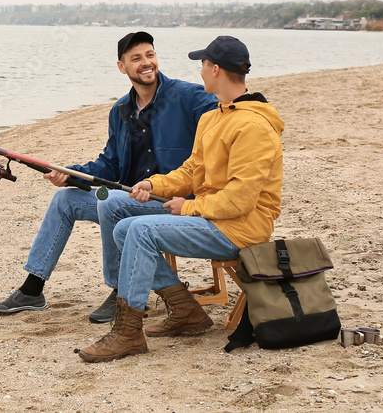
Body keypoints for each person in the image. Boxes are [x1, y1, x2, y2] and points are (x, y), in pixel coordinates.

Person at [78, 35, 285, 363]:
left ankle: (128, 332)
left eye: (203, 64)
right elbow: (190, 173)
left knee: (140, 231)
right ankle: (187, 310)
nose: (200, 71)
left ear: (215, 70)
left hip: (241, 229)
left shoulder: (253, 126)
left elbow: (241, 200)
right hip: (211, 218)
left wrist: (189, 206)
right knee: (122, 227)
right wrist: (152, 182)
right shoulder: (213, 116)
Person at [0, 31, 218, 322]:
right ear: (122, 67)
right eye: (136, 58)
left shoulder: (189, 96)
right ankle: (33, 290)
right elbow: (109, 164)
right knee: (64, 199)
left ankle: (121, 290)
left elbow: (230, 110)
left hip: (175, 202)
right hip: (131, 197)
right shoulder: (120, 109)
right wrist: (71, 175)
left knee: (114, 202)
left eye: (150, 55)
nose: (146, 63)